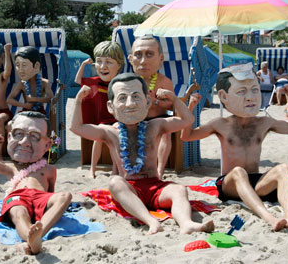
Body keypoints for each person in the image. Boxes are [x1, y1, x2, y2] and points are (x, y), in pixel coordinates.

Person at [70, 72, 214, 235]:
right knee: (115, 182)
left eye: (136, 96)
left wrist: (174, 100)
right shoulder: (109, 132)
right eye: (122, 98)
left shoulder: (155, 126)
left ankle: (187, 223)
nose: (130, 104)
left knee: (179, 189)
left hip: (156, 187)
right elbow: (77, 128)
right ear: (111, 107)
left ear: (147, 102)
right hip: (129, 190)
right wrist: (78, 101)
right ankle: (151, 221)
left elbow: (187, 121)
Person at [181, 63, 288, 231]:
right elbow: (187, 136)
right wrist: (191, 107)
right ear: (224, 96)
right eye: (241, 92)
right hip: (229, 184)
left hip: (256, 182)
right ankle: (268, 217)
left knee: (283, 168)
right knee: (238, 171)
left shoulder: (263, 123)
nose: (250, 97)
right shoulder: (220, 124)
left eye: (254, 90)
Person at [0, 111, 72, 255]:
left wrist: (52, 208)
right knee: (19, 212)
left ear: (47, 144)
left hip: (40, 197)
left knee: (65, 196)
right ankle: (31, 237)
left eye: (34, 136)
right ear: (9, 137)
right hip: (18, 197)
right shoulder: (9, 167)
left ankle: (36, 235)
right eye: (18, 134)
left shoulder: (49, 169)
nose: (24, 142)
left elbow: (51, 193)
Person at [74, 41, 124, 178]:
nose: (103, 66)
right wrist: (84, 65)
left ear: (119, 65)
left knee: (115, 137)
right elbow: (78, 81)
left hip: (116, 119)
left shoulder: (121, 83)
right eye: (99, 61)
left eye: (108, 62)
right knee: (99, 137)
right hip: (101, 119)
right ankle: (92, 169)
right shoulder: (96, 81)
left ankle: (115, 169)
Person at [128, 35, 174, 179]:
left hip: (159, 119)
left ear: (160, 60)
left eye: (149, 54)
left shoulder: (164, 82)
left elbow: (172, 106)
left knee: (165, 132)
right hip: (136, 120)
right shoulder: (128, 82)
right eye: (138, 55)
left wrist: (157, 102)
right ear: (130, 59)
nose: (143, 61)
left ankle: (159, 171)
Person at [6, 46, 53, 115]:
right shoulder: (21, 84)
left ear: (36, 66)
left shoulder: (44, 82)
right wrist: (24, 105)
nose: (20, 70)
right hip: (26, 111)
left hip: (39, 112)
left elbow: (51, 98)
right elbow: (9, 99)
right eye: (17, 65)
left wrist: (34, 99)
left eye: (24, 65)